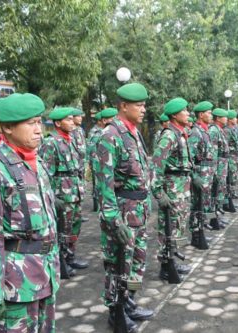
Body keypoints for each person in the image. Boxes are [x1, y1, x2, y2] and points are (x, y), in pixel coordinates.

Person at [0, 93, 60, 332]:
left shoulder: (37, 163)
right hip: (15, 284)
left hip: (45, 273)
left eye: (39, 122)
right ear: (7, 127)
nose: (38, 129)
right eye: (30, 123)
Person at [94, 83, 154, 331]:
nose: (143, 109)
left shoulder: (134, 133)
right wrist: (113, 221)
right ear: (123, 106)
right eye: (138, 105)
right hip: (122, 214)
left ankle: (129, 300)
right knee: (118, 266)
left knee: (137, 264)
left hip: (138, 212)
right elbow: (104, 184)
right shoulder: (110, 136)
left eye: (143, 105)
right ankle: (115, 311)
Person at [38, 107, 89, 277]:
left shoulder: (70, 139)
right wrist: (52, 196)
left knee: (74, 228)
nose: (72, 122)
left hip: (74, 191)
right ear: (58, 123)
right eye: (68, 120)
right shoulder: (50, 143)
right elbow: (45, 174)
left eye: (72, 119)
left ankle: (70, 257)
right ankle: (60, 262)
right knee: (62, 230)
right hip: (62, 194)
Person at [151, 97, 193, 281]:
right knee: (169, 227)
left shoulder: (180, 133)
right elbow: (156, 166)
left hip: (181, 186)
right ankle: (166, 265)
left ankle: (173, 261)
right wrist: (159, 193)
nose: (188, 113)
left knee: (178, 226)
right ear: (175, 115)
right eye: (185, 111)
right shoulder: (169, 135)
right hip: (172, 187)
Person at [187, 101, 215, 243]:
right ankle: (196, 235)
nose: (211, 115)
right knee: (196, 204)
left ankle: (201, 229)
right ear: (201, 114)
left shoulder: (205, 130)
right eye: (209, 113)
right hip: (200, 174)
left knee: (203, 203)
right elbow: (189, 158)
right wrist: (194, 176)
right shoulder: (195, 132)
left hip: (207, 173)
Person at [87, 108, 118, 212]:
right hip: (98, 162)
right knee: (99, 185)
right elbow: (91, 149)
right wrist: (92, 164)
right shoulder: (95, 132)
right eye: (112, 118)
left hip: (108, 162)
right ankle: (100, 204)